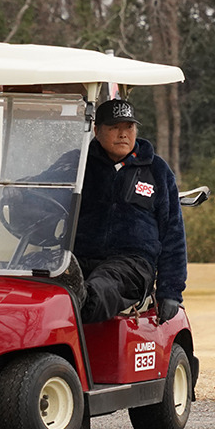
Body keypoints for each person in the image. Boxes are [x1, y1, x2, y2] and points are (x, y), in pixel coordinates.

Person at [73, 97, 187, 324]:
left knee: (98, 290)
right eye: (114, 127)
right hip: (79, 257)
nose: (123, 134)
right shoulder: (76, 165)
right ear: (96, 130)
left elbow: (173, 233)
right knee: (45, 283)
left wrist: (170, 291)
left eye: (129, 127)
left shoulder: (156, 170)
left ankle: (71, 331)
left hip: (132, 264)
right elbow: (42, 190)